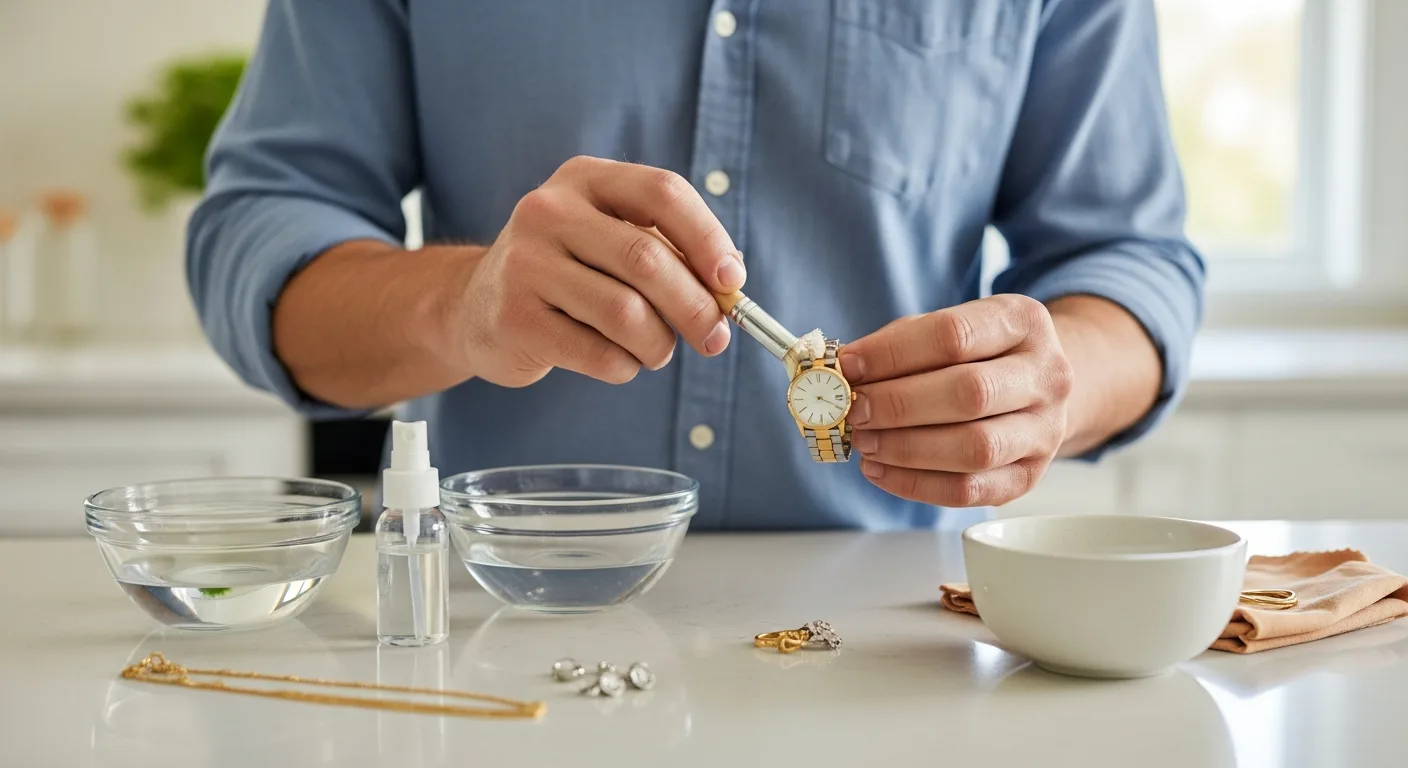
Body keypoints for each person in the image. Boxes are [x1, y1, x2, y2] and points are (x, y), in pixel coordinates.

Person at [188, 0, 1203, 531]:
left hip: (887, 641)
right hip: (503, 628)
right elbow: (258, 238)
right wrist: (463, 304)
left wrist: (1048, 389)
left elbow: (1130, 261)